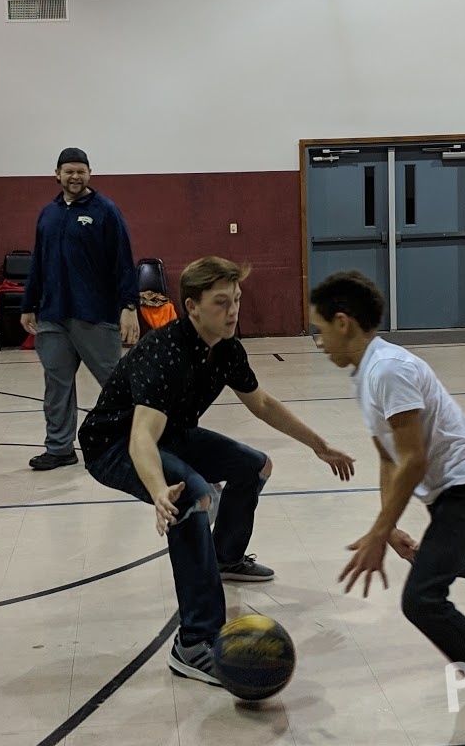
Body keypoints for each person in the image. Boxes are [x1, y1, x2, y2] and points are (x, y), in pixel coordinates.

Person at [309, 270, 465, 746]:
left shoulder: (388, 370)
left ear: (343, 322)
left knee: (422, 600)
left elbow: (415, 458)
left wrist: (376, 533)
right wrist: (386, 529)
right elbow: (389, 457)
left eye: (319, 330)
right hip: (453, 493)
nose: (318, 342)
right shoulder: (365, 375)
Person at [78, 256, 356, 685]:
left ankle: (226, 557)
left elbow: (261, 404)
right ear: (192, 306)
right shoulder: (163, 352)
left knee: (255, 466)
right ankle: (193, 642)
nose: (233, 311)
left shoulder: (226, 347)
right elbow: (140, 439)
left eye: (237, 300)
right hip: (113, 444)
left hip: (171, 433)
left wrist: (318, 445)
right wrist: (157, 490)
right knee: (191, 497)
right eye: (221, 302)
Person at [20, 147, 141, 471]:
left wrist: (129, 306)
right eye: (69, 171)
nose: (75, 176)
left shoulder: (105, 211)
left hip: (96, 316)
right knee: (56, 386)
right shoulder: (48, 214)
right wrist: (29, 304)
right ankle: (59, 448)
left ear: (89, 174)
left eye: (81, 171)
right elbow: (39, 264)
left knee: (116, 386)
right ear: (57, 175)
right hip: (53, 316)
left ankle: (139, 443)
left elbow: (123, 262)